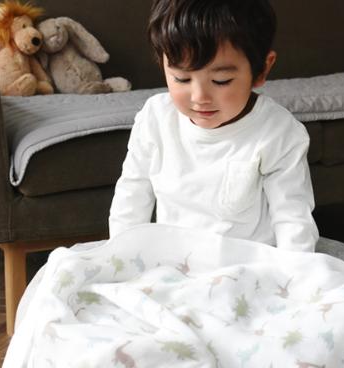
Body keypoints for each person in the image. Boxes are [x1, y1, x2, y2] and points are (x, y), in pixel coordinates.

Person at [108, 0, 319, 252]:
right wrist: (120, 257)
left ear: (262, 69)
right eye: (181, 78)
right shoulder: (155, 118)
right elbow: (131, 197)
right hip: (174, 261)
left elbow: (293, 219)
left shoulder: (278, 131)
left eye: (221, 80)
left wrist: (292, 270)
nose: (199, 97)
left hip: (247, 264)